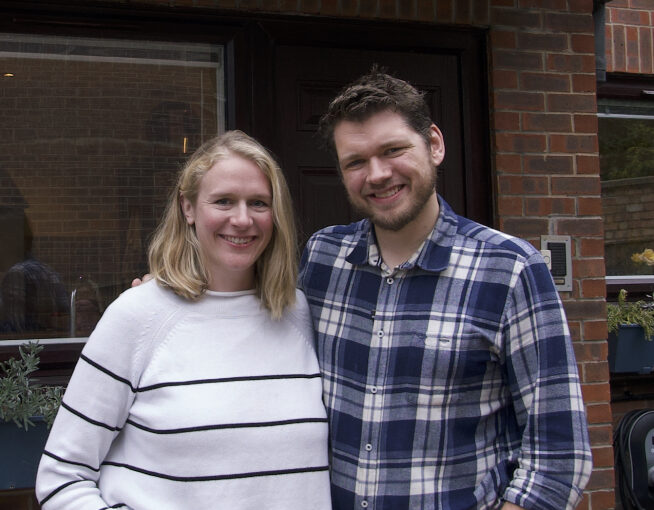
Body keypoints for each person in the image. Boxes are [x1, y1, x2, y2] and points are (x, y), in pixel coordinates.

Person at [297, 69, 593, 509]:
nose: (377, 174)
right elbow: (244, 314)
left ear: (433, 144)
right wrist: (167, 291)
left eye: (393, 150)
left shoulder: (510, 269)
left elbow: (559, 454)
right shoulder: (322, 258)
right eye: (355, 161)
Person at [35, 131, 332, 509]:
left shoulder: (301, 314)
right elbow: (61, 478)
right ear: (188, 207)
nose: (242, 219)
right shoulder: (138, 317)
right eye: (223, 201)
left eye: (258, 203)